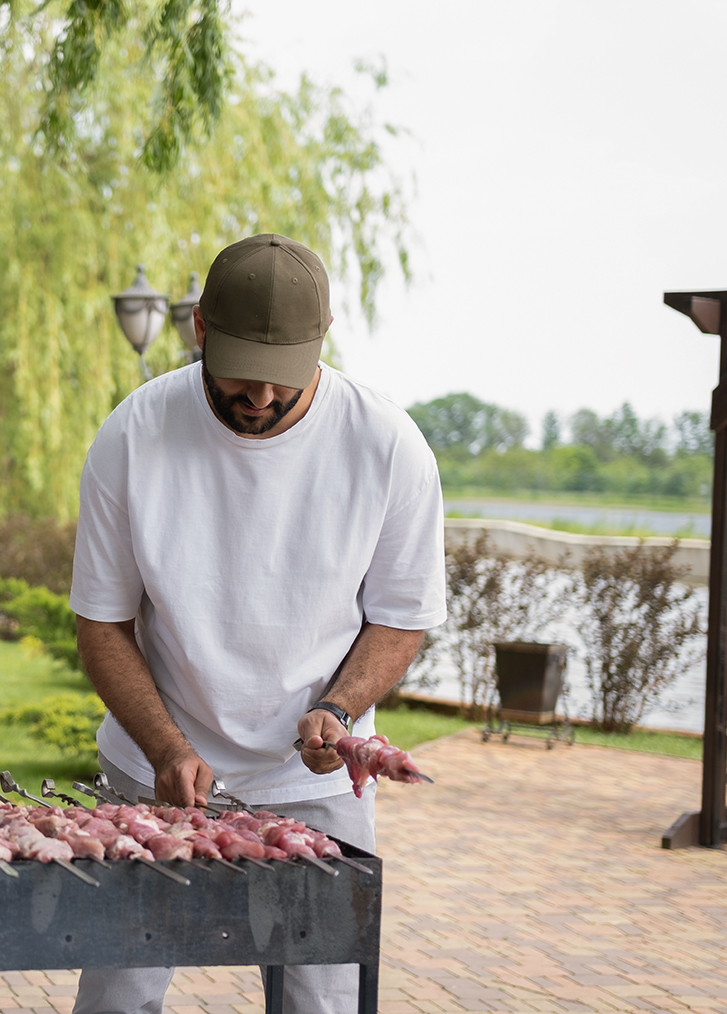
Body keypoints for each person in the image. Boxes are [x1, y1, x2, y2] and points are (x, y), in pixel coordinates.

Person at [68, 234, 446, 1014]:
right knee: (117, 1000)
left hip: (321, 780)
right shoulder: (132, 437)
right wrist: (168, 747)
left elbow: (401, 619)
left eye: (283, 378)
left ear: (323, 340)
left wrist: (337, 712)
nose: (262, 398)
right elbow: (103, 624)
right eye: (242, 372)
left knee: (323, 1004)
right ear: (200, 328)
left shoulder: (389, 449)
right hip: (154, 767)